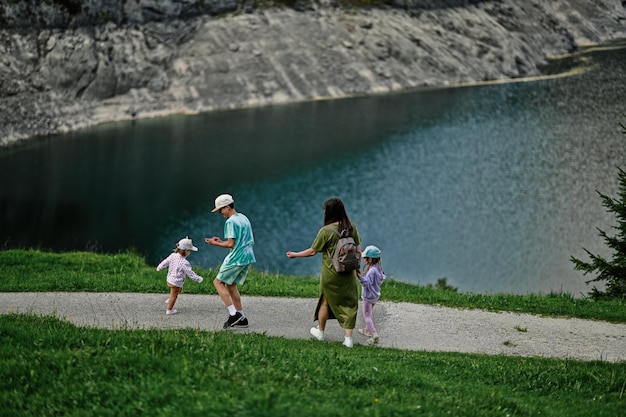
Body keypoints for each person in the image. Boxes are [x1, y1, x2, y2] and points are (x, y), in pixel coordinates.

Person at [286, 197, 361, 348]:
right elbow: (358, 251)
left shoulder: (326, 231)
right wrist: (358, 271)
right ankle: (348, 339)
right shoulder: (352, 227)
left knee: (325, 301)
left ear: (329, 212)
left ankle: (320, 332)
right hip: (348, 274)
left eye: (325, 209)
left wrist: (295, 254)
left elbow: (313, 251)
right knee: (349, 303)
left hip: (331, 274)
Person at [205, 194, 256, 329]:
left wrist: (215, 243)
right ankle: (242, 318)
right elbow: (237, 241)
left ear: (227, 207)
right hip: (248, 256)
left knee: (217, 282)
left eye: (221, 210)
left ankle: (234, 314)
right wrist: (221, 241)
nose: (220, 213)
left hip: (236, 257)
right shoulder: (243, 217)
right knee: (231, 285)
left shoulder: (230, 222)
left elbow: (230, 244)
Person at [156, 237, 204, 315]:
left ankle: (170, 298)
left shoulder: (172, 256)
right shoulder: (184, 262)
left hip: (169, 279)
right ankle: (169, 309)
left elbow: (165, 262)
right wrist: (198, 278)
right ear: (186, 251)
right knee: (174, 296)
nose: (190, 253)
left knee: (179, 289)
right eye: (189, 251)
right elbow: (190, 273)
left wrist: (159, 267)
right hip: (176, 282)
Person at [358, 245, 386, 343]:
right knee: (369, 313)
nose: (364, 260)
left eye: (365, 258)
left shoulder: (371, 271)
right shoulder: (378, 269)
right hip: (375, 296)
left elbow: (366, 283)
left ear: (370, 259)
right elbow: (382, 277)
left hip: (368, 297)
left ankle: (374, 334)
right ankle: (366, 330)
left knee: (367, 316)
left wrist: (359, 276)